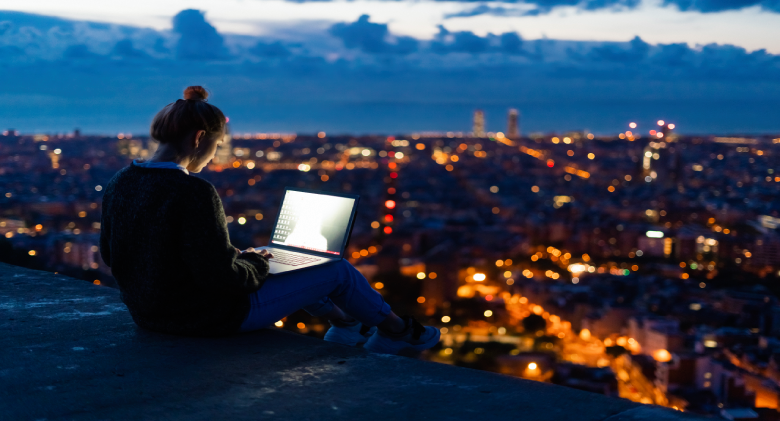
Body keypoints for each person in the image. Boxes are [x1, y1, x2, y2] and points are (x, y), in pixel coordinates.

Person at [99, 86, 440, 355]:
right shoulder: (193, 192)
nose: (214, 154)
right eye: (216, 145)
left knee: (286, 265)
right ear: (199, 139)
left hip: (148, 314)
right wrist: (252, 264)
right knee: (334, 269)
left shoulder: (121, 181)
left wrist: (245, 260)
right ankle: (398, 332)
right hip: (203, 317)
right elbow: (223, 278)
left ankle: (346, 324)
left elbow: (112, 255)